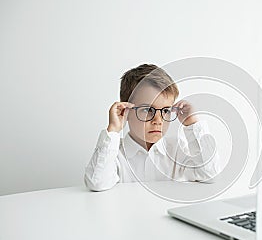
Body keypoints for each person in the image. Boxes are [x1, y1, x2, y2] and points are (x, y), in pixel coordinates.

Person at [84, 64, 220, 191]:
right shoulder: (115, 154)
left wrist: (193, 124)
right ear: (125, 110)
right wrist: (113, 129)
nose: (158, 120)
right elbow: (96, 183)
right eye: (147, 109)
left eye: (166, 111)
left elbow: (210, 174)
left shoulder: (177, 149)